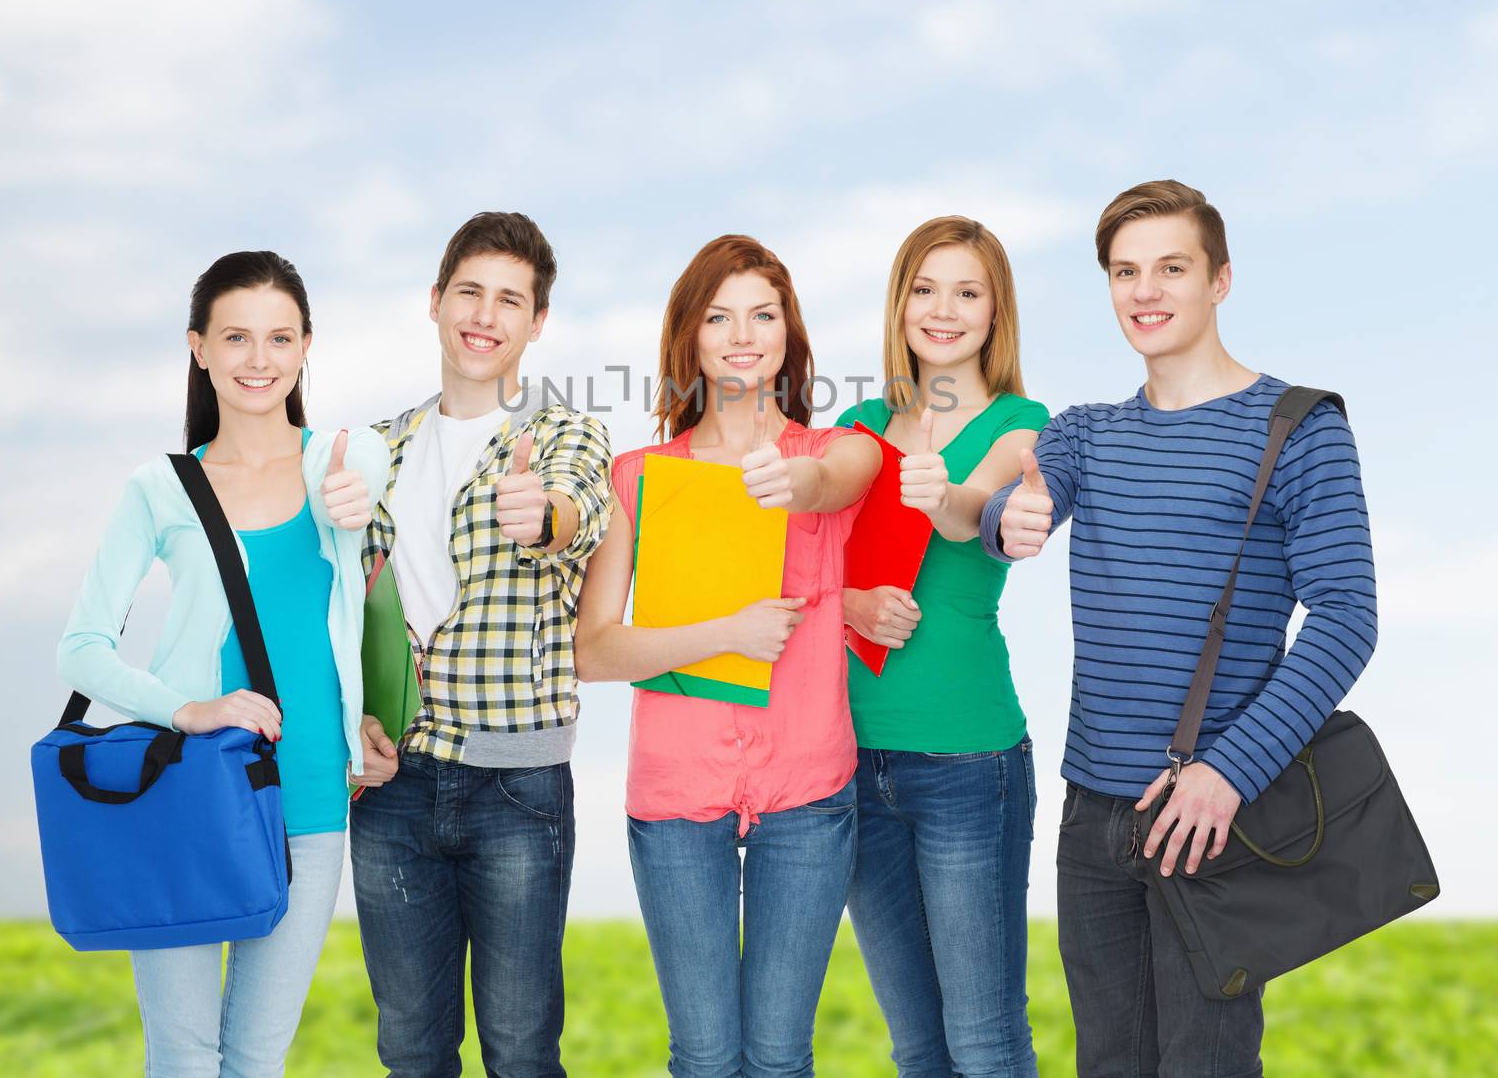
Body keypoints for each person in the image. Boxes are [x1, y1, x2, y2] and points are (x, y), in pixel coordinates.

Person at [981, 181, 1378, 1078]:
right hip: (1092, 820)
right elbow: (1019, 502)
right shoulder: (1089, 433)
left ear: (1220, 280)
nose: (1145, 291)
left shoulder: (1299, 427)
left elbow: (1348, 617)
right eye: (1126, 271)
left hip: (1214, 819)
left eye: (1171, 267)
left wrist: (1228, 773)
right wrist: (1009, 517)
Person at [57, 249, 392, 1078]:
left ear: (306, 346)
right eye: (236, 337)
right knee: (183, 1054)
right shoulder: (159, 488)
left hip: (312, 795)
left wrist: (354, 502)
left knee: (255, 1057)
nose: (259, 359)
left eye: (280, 338)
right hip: (188, 791)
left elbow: (369, 494)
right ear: (198, 347)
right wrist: (188, 709)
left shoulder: (346, 462)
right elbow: (82, 647)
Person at [575, 234, 882, 1078]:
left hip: (809, 789)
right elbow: (594, 650)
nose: (743, 333)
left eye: (763, 313)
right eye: (719, 316)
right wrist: (728, 633)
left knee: (780, 1055)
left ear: (789, 331)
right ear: (691, 337)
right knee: (706, 1056)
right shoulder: (637, 478)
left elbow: (846, 476)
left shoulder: (832, 454)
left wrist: (796, 482)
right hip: (677, 794)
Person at [348, 211, 613, 1078]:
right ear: (435, 301)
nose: (485, 314)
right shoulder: (379, 449)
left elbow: (578, 513)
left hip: (517, 789)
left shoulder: (565, 435)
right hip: (394, 788)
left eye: (511, 300)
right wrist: (357, 723)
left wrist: (543, 514)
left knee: (522, 1052)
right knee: (412, 1051)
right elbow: (348, 610)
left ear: (536, 322)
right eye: (470, 291)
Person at [836, 216, 1049, 1078]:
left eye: (968, 291)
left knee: (986, 1041)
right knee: (918, 1047)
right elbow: (807, 574)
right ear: (900, 303)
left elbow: (979, 514)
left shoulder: (1022, 424)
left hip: (969, 761)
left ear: (996, 312)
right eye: (925, 288)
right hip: (852, 758)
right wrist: (851, 601)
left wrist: (942, 495)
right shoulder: (856, 423)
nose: (944, 309)